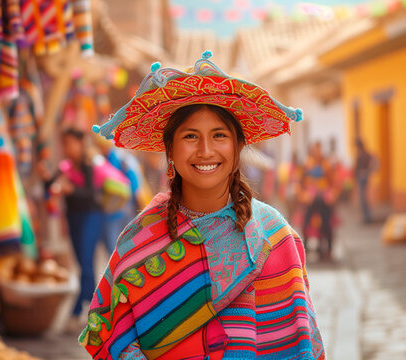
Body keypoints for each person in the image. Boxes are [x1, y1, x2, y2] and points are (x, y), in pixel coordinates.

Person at [79, 52, 325, 359]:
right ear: (170, 150)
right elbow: (111, 333)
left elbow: (299, 343)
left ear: (238, 148)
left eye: (219, 135)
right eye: (190, 136)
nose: (206, 150)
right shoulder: (140, 238)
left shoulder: (274, 237)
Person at [49, 128, 129, 320]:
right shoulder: (66, 166)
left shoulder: (89, 164)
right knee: (82, 263)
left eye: (69, 143)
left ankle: (79, 309)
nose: (66, 148)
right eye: (64, 144)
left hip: (91, 217)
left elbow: (90, 194)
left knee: (85, 263)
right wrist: (46, 178)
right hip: (73, 218)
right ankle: (94, 306)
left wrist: (70, 190)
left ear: (79, 143)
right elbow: (50, 184)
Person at [354, 139, 375, 224]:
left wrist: (367, 172)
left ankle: (367, 217)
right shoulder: (363, 154)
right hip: (362, 177)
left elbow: (374, 163)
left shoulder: (364, 154)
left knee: (363, 198)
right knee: (363, 198)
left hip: (363, 177)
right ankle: (366, 217)